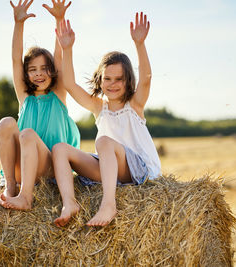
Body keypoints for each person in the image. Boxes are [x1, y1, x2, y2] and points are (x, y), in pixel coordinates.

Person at [52, 12, 161, 227]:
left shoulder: (135, 105)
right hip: (109, 169)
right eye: (107, 79)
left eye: (118, 79)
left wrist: (140, 44)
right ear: (100, 80)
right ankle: (70, 203)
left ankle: (109, 204)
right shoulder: (98, 107)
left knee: (103, 141)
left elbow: (146, 79)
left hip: (139, 169)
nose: (112, 84)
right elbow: (70, 85)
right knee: (59, 149)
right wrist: (67, 49)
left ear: (128, 80)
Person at [0, 0, 80, 210]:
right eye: (33, 69)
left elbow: (59, 56)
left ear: (52, 71)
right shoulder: (25, 98)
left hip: (50, 168)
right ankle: (10, 186)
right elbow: (16, 59)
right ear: (26, 74)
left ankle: (26, 197)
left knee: (27, 134)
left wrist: (59, 19)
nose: (39, 73)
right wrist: (19, 23)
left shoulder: (58, 95)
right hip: (22, 169)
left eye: (44, 68)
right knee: (7, 122)